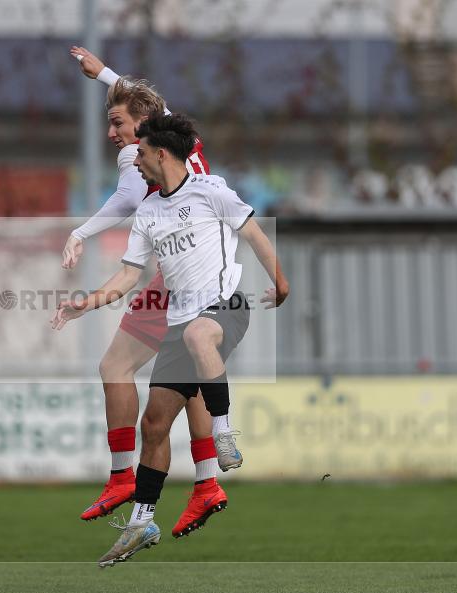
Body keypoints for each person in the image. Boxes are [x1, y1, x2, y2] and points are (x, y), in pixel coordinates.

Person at [51, 114, 289, 566]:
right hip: (178, 327)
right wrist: (88, 302)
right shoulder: (149, 212)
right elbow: (128, 276)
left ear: (160, 153)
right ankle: (142, 521)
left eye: (138, 153)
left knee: (202, 335)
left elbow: (255, 234)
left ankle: (223, 435)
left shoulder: (210, 189)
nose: (133, 161)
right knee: (154, 425)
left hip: (225, 307)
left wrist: (280, 283)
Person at [61, 47, 234, 526]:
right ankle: (205, 482)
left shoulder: (139, 158)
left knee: (116, 365)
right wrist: (106, 76)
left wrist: (79, 233)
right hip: (205, 272)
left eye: (117, 123)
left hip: (183, 274)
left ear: (142, 126)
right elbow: (153, 107)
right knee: (190, 375)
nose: (112, 134)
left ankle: (124, 477)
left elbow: (124, 202)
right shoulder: (186, 140)